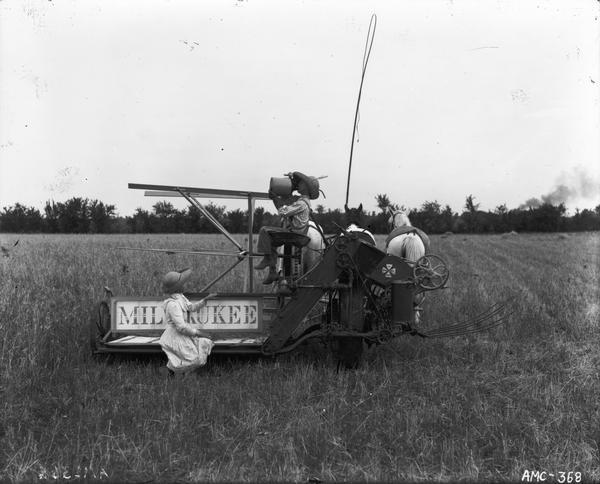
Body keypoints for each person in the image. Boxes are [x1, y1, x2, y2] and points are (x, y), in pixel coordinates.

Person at [255, 171, 320, 284]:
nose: (298, 185)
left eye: (300, 183)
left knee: (264, 230)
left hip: (295, 234)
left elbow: (283, 211)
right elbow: (286, 203)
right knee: (272, 241)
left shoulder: (301, 203)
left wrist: (275, 198)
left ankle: (268, 260)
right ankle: (272, 271)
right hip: (296, 233)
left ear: (305, 188)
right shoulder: (302, 201)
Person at [158, 267, 217, 375]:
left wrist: (205, 300)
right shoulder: (173, 304)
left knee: (202, 345)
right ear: (177, 287)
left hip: (182, 332)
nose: (185, 284)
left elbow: (191, 307)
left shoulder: (181, 297)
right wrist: (199, 333)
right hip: (175, 335)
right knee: (191, 357)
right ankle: (173, 373)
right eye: (182, 283)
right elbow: (181, 327)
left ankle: (177, 373)